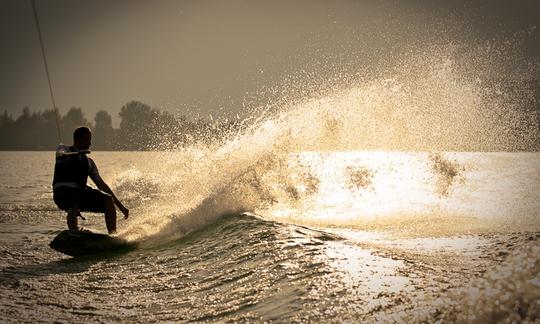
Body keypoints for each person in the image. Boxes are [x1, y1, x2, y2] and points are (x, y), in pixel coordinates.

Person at [52, 126, 129, 234]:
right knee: (73, 206)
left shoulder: (89, 162)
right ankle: (74, 233)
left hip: (80, 195)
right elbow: (60, 150)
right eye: (86, 140)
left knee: (108, 199)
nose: (90, 143)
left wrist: (121, 206)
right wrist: (68, 154)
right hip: (63, 195)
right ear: (77, 140)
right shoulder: (64, 152)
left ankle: (113, 235)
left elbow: (101, 185)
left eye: (90, 139)